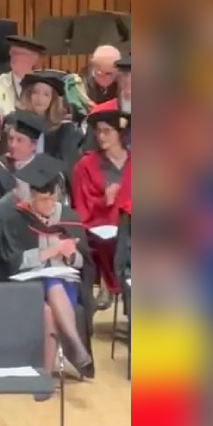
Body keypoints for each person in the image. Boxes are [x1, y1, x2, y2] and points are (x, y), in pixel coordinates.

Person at [0, 156, 95, 385]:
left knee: (54, 285)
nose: (47, 205)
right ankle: (71, 350)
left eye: (51, 199)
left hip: (64, 282)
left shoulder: (68, 218)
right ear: (32, 196)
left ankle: (47, 375)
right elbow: (11, 262)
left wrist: (70, 254)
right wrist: (47, 252)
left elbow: (83, 263)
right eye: (42, 200)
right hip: (27, 285)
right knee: (47, 305)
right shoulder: (16, 220)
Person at [72, 109, 130, 309]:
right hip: (100, 225)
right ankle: (108, 285)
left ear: (119, 133)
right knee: (110, 241)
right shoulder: (85, 165)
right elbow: (81, 207)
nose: (101, 136)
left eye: (107, 131)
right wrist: (104, 201)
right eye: (98, 132)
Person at [0, 111, 57, 209]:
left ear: (33, 145)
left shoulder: (46, 171)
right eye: (11, 139)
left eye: (19, 140)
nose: (13, 145)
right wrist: (13, 197)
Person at [17, 70, 83, 179]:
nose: (40, 98)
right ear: (28, 95)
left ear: (53, 100)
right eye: (35, 92)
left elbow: (67, 169)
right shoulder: (15, 123)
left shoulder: (65, 131)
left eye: (46, 94)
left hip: (52, 188)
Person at [0, 35, 44, 129]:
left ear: (34, 59)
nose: (15, 57)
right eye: (13, 53)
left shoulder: (45, 87)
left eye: (20, 54)